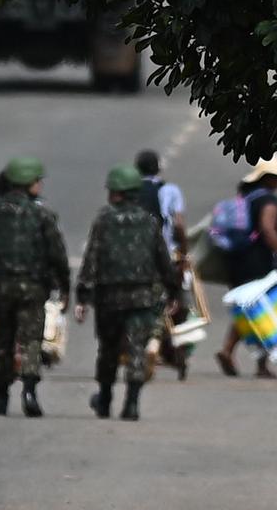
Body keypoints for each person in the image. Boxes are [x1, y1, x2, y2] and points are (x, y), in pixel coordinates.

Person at [0, 156, 69, 417]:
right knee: (31, 340)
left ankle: (0, 396)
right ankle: (29, 393)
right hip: (32, 288)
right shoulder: (42, 214)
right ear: (29, 183)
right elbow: (57, 254)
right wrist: (65, 285)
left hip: (0, 288)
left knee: (3, 342)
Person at [75, 164, 181, 421]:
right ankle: (131, 404)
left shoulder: (103, 220)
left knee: (108, 350)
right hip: (142, 298)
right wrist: (174, 291)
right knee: (136, 350)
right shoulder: (150, 222)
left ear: (118, 193)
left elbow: (92, 258)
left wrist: (83, 295)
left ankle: (105, 398)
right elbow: (163, 260)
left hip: (109, 299)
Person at [213, 157, 277, 378]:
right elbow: (267, 228)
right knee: (261, 312)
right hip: (258, 262)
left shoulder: (248, 197)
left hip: (237, 261)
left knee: (249, 310)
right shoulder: (268, 200)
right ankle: (259, 364)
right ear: (268, 179)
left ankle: (229, 351)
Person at [135, 149, 191, 378]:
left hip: (135, 257)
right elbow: (178, 225)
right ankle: (165, 348)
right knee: (175, 302)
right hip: (164, 256)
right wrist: (184, 254)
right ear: (158, 168)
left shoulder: (132, 191)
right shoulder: (170, 190)